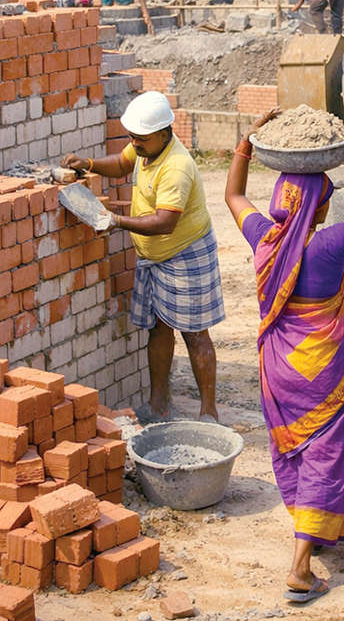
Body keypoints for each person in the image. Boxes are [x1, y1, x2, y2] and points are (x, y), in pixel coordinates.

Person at [224, 111, 344, 603]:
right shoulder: (328, 245)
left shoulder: (263, 238)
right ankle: (300, 567)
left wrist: (244, 144)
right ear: (319, 206)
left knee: (296, 449)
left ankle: (312, 527)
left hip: (279, 369)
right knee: (325, 454)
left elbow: (233, 196)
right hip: (324, 370)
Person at [62, 91, 224, 423]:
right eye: (132, 136)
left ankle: (209, 413)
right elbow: (122, 164)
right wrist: (89, 164)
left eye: (141, 138)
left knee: (194, 333)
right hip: (155, 258)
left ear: (165, 133)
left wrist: (117, 220)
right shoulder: (145, 147)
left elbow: (165, 222)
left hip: (185, 254)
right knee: (159, 328)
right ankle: (158, 405)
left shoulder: (176, 167)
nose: (135, 143)